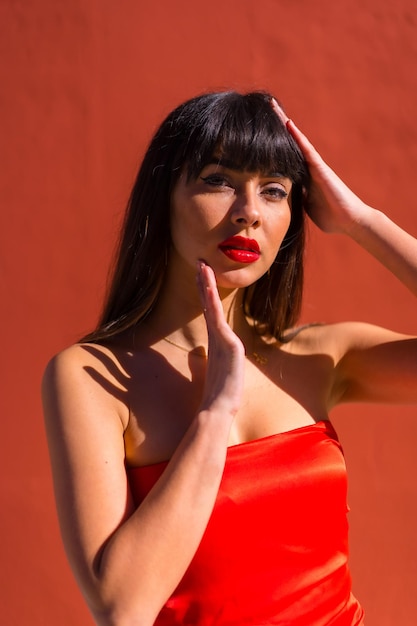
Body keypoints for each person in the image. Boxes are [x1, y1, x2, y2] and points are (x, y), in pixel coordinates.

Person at [42, 91, 417, 626]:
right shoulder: (91, 376)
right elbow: (121, 608)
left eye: (273, 191)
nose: (249, 213)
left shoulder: (320, 355)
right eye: (218, 180)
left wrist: (360, 220)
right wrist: (213, 415)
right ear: (163, 197)